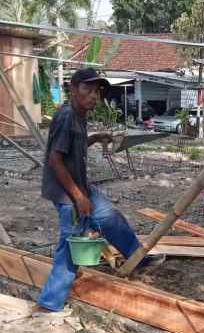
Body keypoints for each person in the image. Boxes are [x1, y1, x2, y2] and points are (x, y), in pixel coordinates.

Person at [34, 68, 163, 316]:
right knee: (72, 245)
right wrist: (79, 197)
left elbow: (73, 145)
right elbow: (55, 160)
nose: (93, 95)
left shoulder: (79, 114)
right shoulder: (66, 117)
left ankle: (137, 259)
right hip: (67, 192)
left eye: (97, 91)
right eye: (87, 89)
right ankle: (48, 305)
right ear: (72, 89)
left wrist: (95, 138)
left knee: (110, 218)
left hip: (79, 185)